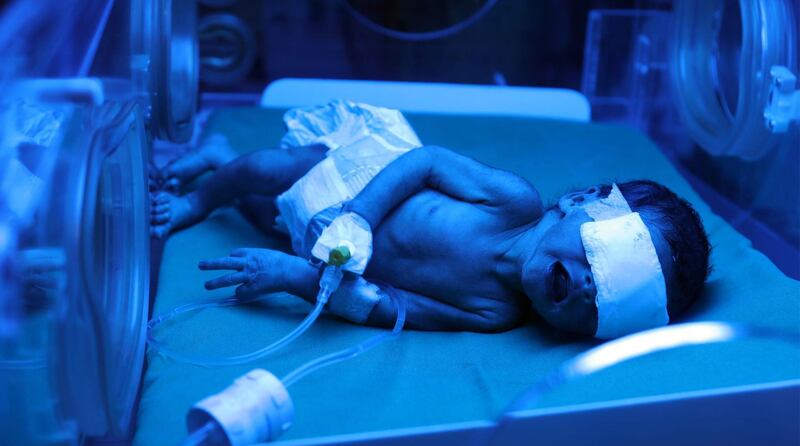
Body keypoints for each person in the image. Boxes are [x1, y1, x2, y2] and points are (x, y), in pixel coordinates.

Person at [150, 102, 710, 338]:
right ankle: (200, 199)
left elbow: (391, 307)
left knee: (265, 215)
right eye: (604, 261)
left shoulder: (494, 313)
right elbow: (426, 163)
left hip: (324, 253)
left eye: (605, 305)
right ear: (581, 202)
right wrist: (360, 215)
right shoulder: (514, 202)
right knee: (267, 169)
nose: (589, 287)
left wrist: (295, 278)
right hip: (356, 181)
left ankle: (216, 157)